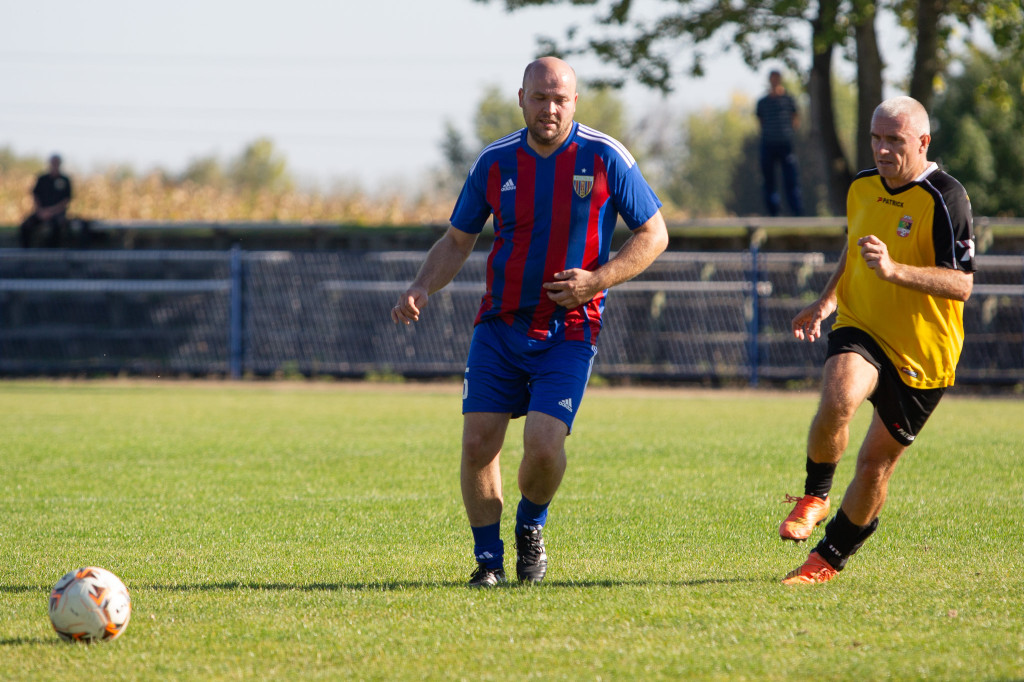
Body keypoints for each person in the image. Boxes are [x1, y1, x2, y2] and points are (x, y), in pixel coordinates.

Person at [391, 57, 668, 587]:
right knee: (478, 445)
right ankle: (488, 562)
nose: (550, 109)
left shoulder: (605, 156)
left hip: (570, 328)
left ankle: (530, 525)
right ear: (522, 99)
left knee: (543, 447)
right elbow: (457, 240)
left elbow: (654, 234)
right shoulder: (495, 162)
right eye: (540, 98)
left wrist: (597, 280)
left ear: (574, 102)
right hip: (500, 325)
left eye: (560, 99)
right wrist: (421, 285)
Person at [780, 96, 976, 584]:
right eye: (876, 138)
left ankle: (826, 560)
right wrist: (826, 301)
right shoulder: (862, 186)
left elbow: (962, 284)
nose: (882, 149)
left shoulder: (947, 197)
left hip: (923, 354)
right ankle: (815, 495)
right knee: (838, 398)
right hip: (862, 324)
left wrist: (893, 270)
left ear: (923, 142)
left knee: (873, 466)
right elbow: (854, 250)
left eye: (895, 140)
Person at [755, 70, 803, 217]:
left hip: (785, 144)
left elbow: (795, 119)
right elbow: (760, 121)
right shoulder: (762, 102)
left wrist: (788, 133)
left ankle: (796, 212)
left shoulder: (789, 100)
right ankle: (773, 212)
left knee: (790, 179)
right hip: (768, 144)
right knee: (769, 180)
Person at [20, 154, 74, 248]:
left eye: (56, 163)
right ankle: (26, 251)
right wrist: (40, 211)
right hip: (41, 212)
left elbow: (66, 200)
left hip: (57, 214)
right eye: (53, 163)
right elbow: (35, 196)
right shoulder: (42, 179)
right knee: (26, 225)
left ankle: (52, 252)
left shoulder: (65, 180)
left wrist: (51, 212)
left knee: (56, 227)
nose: (54, 165)